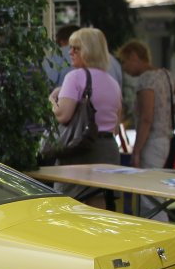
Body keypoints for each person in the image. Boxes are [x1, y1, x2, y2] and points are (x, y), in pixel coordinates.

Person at [117, 39, 175, 216]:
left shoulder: (146, 79)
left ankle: (160, 229)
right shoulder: (165, 75)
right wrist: (168, 111)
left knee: (149, 197)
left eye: (124, 61)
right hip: (165, 140)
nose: (124, 68)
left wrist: (136, 151)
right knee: (156, 192)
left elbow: (146, 118)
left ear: (134, 56)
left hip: (151, 142)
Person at [49, 27, 124, 205]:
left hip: (79, 150)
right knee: (100, 208)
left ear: (89, 51)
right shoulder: (112, 82)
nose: (70, 52)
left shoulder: (75, 77)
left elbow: (62, 115)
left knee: (71, 209)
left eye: (76, 48)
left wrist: (52, 99)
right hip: (108, 151)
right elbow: (115, 123)